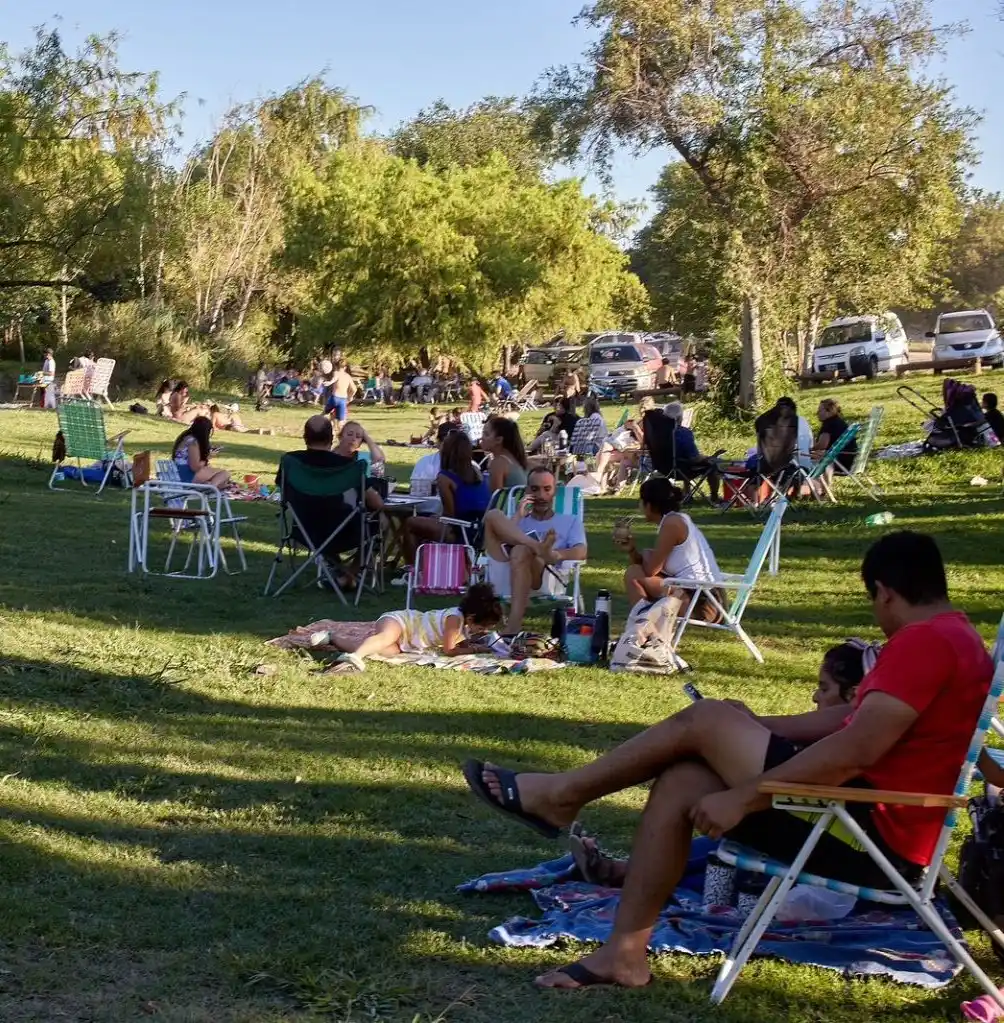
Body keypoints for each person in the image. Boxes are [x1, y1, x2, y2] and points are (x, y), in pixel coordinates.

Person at [460, 531, 993, 990]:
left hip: (862, 832)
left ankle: (560, 796)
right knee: (686, 776)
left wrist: (747, 794)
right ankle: (624, 955)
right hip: (860, 820)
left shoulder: (923, 643)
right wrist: (756, 725)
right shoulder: (957, 638)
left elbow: (856, 749)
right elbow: (846, 724)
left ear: (885, 592)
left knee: (707, 719)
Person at [570, 639, 881, 886]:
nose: (815, 697)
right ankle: (626, 882)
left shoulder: (862, 731)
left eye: (824, 688)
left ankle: (567, 802)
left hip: (843, 839)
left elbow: (826, 764)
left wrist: (747, 737)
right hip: (828, 825)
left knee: (706, 727)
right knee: (691, 782)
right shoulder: (859, 728)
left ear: (855, 696)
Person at [481, 467, 587, 634]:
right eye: (535, 489)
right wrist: (518, 516)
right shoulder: (519, 520)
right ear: (527, 491)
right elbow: (498, 542)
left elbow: (581, 551)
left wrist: (556, 555)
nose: (541, 495)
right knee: (493, 515)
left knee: (521, 551)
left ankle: (513, 625)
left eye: (547, 489)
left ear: (555, 492)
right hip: (506, 573)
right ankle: (537, 546)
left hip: (544, 580)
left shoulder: (569, 521)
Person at [329, 582, 505, 671]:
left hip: (406, 642)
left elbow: (460, 643)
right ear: (472, 618)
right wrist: (474, 650)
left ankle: (333, 638)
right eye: (483, 627)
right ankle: (354, 658)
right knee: (385, 638)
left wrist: (476, 645)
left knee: (384, 651)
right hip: (402, 622)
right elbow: (449, 649)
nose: (483, 631)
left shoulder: (465, 626)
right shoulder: (455, 619)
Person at [617, 477, 723, 623]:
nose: (639, 506)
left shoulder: (672, 524)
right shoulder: (676, 519)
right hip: (697, 594)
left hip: (704, 603)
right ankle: (646, 625)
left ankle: (643, 626)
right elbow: (648, 570)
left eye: (641, 501)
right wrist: (632, 550)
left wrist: (647, 555)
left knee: (633, 574)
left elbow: (650, 571)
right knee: (635, 571)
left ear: (649, 505)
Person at [402, 431, 489, 560]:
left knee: (411, 523)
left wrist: (437, 518)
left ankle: (412, 570)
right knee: (426, 523)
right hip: (481, 531)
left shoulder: (445, 477)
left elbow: (450, 515)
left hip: (460, 530)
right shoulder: (476, 472)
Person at [172, 416, 230, 489]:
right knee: (224, 474)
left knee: (221, 481)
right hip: (185, 475)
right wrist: (207, 457)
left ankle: (212, 485)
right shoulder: (193, 442)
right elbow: (195, 467)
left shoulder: (186, 437)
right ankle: (211, 487)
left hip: (177, 472)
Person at [482, 415, 529, 491]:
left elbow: (496, 499)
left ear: (499, 440)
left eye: (486, 434)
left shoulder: (498, 463)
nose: (482, 438)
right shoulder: (512, 458)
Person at [812, 398, 857, 471]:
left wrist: (808, 448)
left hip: (837, 462)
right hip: (847, 460)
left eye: (820, 410)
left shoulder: (829, 424)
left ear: (829, 411)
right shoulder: (838, 421)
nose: (817, 413)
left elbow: (822, 446)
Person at [324, 361, 358, 435]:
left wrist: (329, 382)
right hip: (343, 400)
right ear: (345, 367)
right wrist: (350, 397)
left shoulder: (336, 372)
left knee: (325, 414)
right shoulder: (348, 376)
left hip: (334, 398)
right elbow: (354, 389)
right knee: (341, 421)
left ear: (336, 366)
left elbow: (335, 378)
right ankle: (342, 436)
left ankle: (328, 431)